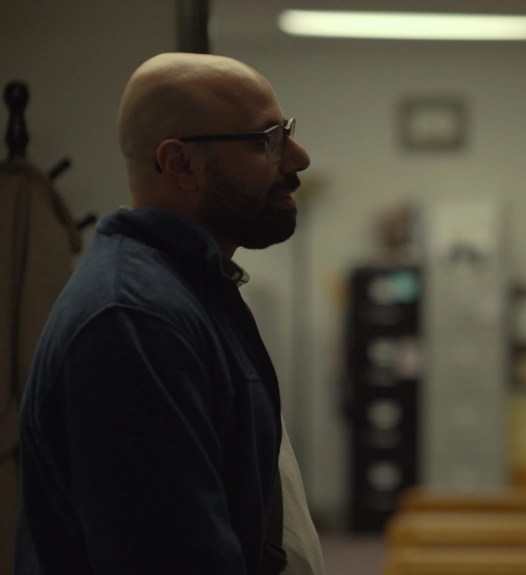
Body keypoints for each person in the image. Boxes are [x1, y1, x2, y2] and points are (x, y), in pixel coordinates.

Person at [14, 52, 323, 574]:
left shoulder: (191, 290)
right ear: (180, 163)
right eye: (266, 139)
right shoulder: (132, 321)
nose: (299, 157)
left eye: (286, 131)